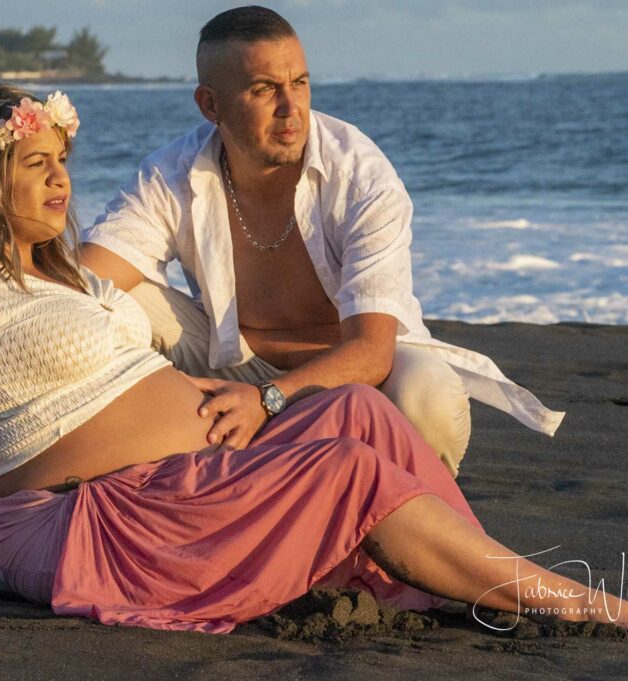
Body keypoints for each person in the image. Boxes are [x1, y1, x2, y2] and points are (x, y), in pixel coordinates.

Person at [0, 84, 628, 635]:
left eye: (63, 162)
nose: (60, 181)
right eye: (35, 163)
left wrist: (195, 394)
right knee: (347, 466)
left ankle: (454, 577)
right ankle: (573, 602)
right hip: (81, 518)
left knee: (361, 411)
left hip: (179, 478)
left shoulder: (68, 281)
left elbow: (121, 372)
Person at [81, 6, 564, 477]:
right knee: (111, 303)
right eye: (265, 88)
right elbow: (82, 279)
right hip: (232, 363)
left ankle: (418, 512)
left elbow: (373, 351)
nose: (291, 108)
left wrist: (269, 399)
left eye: (300, 83)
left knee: (428, 393)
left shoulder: (360, 176)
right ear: (211, 105)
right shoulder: (173, 173)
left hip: (356, 377)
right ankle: (111, 452)